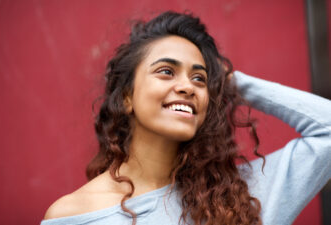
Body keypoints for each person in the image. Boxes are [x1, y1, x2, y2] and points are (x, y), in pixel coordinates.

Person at [41, 11, 331, 225]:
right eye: (166, 71)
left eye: (199, 78)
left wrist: (229, 80)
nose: (187, 86)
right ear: (127, 97)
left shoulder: (244, 197)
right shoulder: (74, 215)